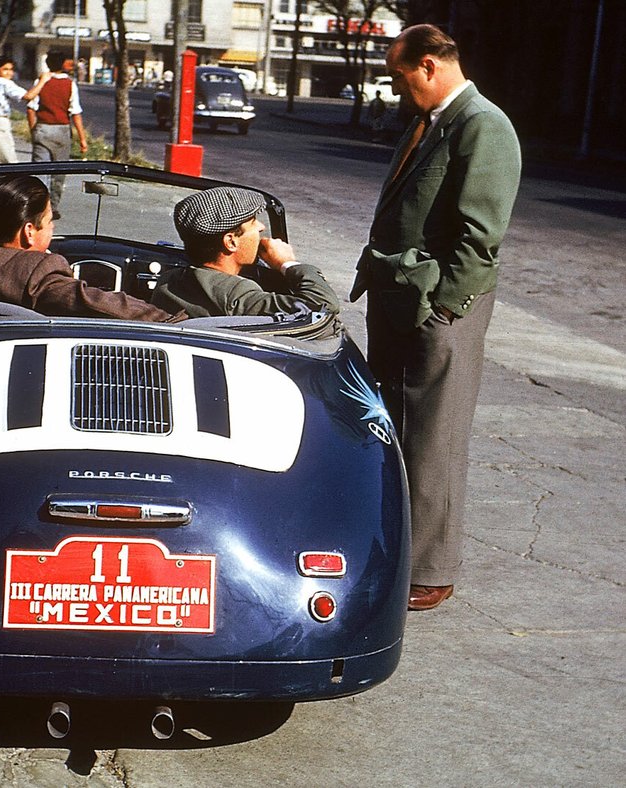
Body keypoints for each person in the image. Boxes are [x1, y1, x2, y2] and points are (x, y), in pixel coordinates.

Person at [348, 24, 521, 611]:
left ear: (427, 65)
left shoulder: (483, 125)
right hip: (400, 301)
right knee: (395, 425)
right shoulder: (432, 124)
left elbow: (481, 237)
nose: (398, 90)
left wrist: (444, 307)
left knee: (434, 436)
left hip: (437, 310)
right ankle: (399, 551)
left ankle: (432, 569)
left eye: (400, 77)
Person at [0, 174, 185, 322]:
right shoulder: (36, 272)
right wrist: (177, 320)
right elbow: (104, 305)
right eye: (49, 222)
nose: (52, 229)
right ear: (29, 232)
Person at [151, 187, 340, 319]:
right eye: (252, 222)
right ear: (231, 241)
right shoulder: (236, 295)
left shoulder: (169, 281)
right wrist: (288, 263)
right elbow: (323, 305)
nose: (261, 227)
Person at [26, 52, 88, 208]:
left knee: (40, 170)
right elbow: (76, 113)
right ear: (62, 65)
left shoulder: (41, 81)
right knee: (59, 171)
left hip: (43, 128)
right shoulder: (70, 84)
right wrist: (82, 139)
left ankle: (39, 205)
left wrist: (34, 129)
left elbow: (31, 109)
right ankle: (53, 206)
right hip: (62, 130)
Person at [0, 58, 52, 164]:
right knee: (8, 160)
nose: (9, 72)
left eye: (11, 69)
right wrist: (42, 81)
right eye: (5, 69)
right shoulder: (5, 83)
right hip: (0, 123)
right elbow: (28, 96)